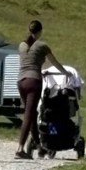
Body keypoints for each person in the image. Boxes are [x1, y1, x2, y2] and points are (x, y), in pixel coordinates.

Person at [15, 19, 69, 159]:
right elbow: (54, 62)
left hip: (21, 81)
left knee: (31, 114)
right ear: (39, 31)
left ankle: (39, 146)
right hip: (33, 81)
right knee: (29, 114)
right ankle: (20, 148)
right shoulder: (42, 46)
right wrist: (65, 73)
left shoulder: (21, 45)